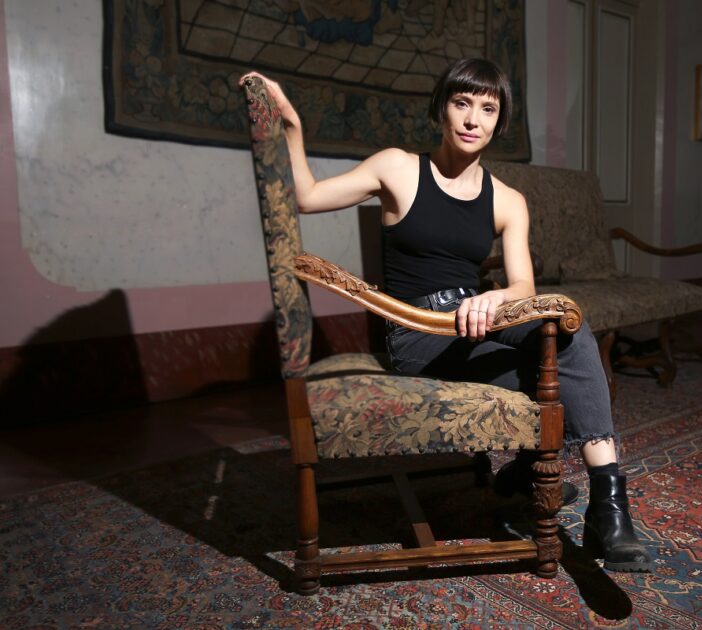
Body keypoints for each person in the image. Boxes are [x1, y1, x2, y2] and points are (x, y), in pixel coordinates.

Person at [240, 59, 651, 572]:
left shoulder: (509, 200)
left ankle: (606, 506)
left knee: (566, 334)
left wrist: (494, 299)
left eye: (488, 109)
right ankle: (542, 479)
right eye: (462, 103)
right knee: (562, 369)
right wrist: (294, 128)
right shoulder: (397, 167)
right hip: (419, 333)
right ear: (442, 109)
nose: (473, 119)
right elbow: (306, 197)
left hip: (477, 320)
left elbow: (524, 287)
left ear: (499, 122)